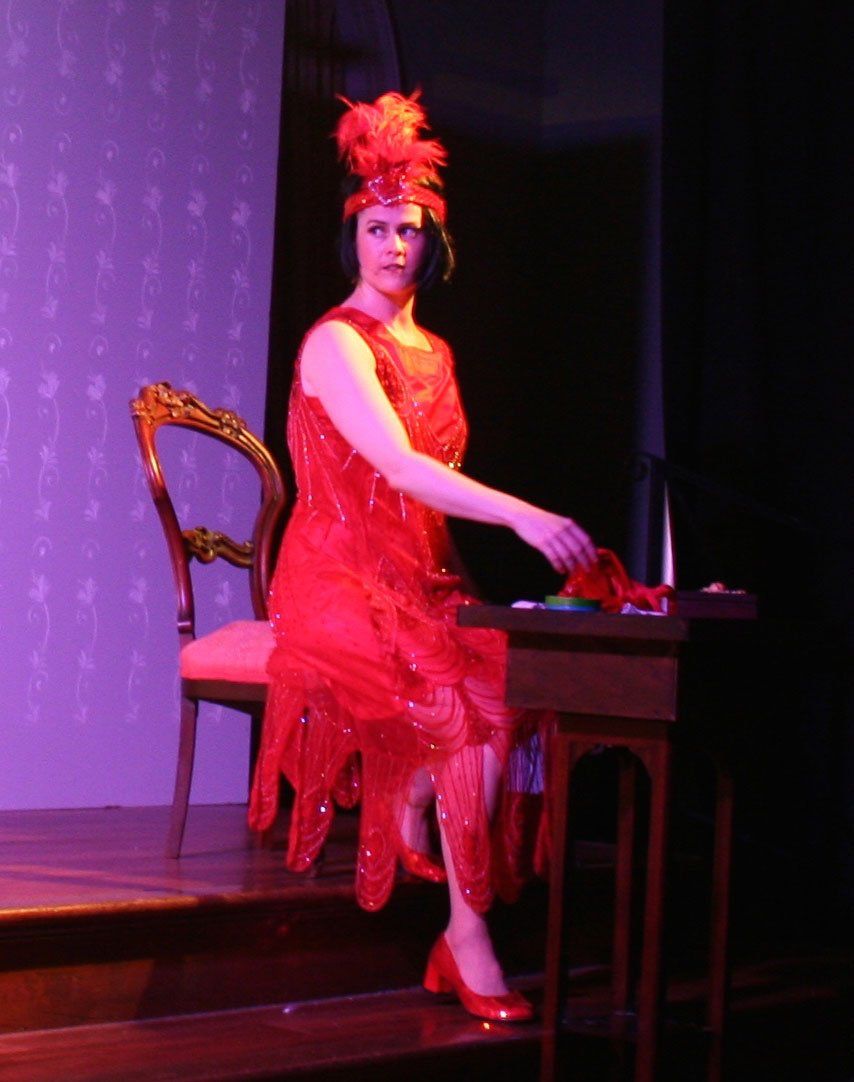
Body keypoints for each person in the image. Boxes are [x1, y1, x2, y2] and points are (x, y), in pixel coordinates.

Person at [249, 91, 595, 1022]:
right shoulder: (335, 342)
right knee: (457, 715)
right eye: (377, 228)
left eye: (410, 231)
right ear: (353, 237)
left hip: (421, 574)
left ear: (432, 245)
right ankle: (466, 937)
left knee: (509, 688)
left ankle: (419, 826)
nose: (394, 245)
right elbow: (399, 465)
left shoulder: (435, 350)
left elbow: (428, 487)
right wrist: (524, 516)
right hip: (336, 574)